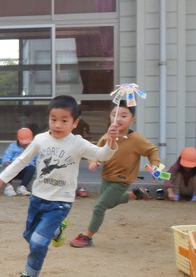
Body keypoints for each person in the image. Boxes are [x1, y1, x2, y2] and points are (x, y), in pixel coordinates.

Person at [0, 95, 119, 277]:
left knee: (38, 242)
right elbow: (22, 161)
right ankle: (58, 229)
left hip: (60, 202)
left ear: (75, 123)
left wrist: (111, 140)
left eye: (64, 120)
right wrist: (2, 178)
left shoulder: (78, 143)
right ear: (48, 118)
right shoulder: (40, 140)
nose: (58, 124)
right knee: (30, 236)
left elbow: (102, 155)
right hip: (38, 198)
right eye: (54, 119)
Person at [67, 101, 159, 248]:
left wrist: (155, 165)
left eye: (124, 115)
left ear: (132, 120)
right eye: (114, 115)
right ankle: (134, 195)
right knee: (108, 203)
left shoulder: (137, 139)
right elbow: (95, 151)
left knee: (100, 206)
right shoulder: (107, 137)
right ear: (110, 117)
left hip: (123, 180)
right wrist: (93, 161)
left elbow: (152, 150)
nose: (119, 119)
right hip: (106, 176)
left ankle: (87, 236)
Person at [0, 127, 36, 196]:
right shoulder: (12, 147)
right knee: (8, 167)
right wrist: (7, 162)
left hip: (26, 170)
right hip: (14, 169)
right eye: (23, 142)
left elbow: (38, 159)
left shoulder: (33, 148)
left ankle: (22, 187)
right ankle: (8, 187)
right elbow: (6, 157)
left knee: (32, 168)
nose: (25, 144)